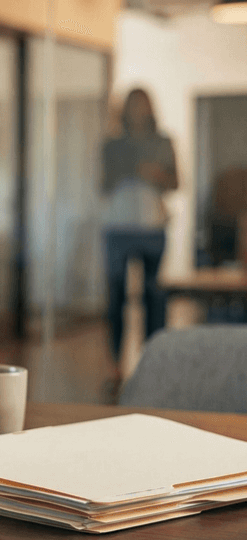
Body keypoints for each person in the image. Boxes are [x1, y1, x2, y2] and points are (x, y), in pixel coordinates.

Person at [101, 88, 178, 364]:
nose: (137, 111)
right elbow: (102, 183)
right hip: (118, 227)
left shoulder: (163, 141)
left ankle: (152, 361)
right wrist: (132, 169)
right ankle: (115, 364)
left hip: (152, 227)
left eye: (142, 105)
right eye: (132, 105)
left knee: (154, 297)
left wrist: (156, 173)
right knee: (116, 298)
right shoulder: (112, 145)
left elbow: (176, 182)